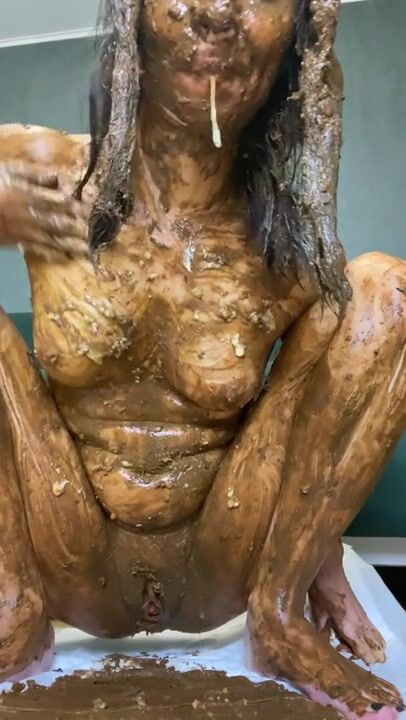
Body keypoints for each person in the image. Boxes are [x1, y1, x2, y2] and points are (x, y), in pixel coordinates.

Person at [0, 0, 404, 717]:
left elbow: (323, 403)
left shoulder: (286, 247)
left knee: (388, 290)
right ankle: (13, 602)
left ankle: (277, 618)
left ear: (301, 36)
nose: (218, 12)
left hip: (222, 559)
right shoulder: (48, 178)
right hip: (61, 546)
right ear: (133, 14)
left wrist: (318, 555)